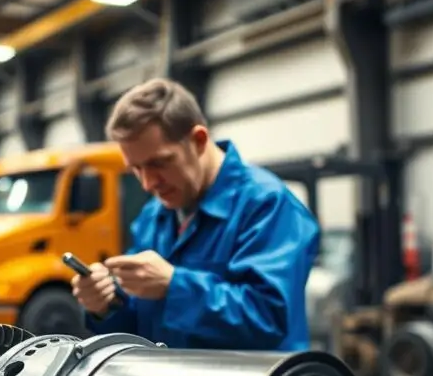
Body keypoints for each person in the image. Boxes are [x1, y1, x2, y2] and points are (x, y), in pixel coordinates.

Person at [71, 78, 321, 351]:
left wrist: (174, 285)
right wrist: (107, 305)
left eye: (159, 163)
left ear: (199, 140)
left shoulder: (268, 206)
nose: (147, 183)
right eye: (137, 169)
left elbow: (267, 318)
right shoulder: (154, 216)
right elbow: (141, 325)